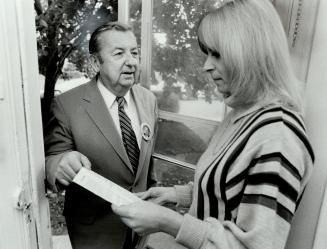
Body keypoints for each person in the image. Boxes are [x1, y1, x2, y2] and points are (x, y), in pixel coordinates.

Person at [111, 1, 315, 249]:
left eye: (217, 54)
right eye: (207, 53)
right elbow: (230, 187)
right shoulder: (242, 114)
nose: (206, 66)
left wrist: (169, 222)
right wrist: (176, 195)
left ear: (250, 53)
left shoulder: (277, 137)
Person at [44, 21, 158, 249]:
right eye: (119, 53)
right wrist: (60, 164)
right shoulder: (67, 105)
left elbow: (148, 162)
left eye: (134, 53)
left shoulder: (149, 100)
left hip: (141, 229)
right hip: (95, 232)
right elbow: (52, 158)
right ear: (96, 62)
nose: (132, 62)